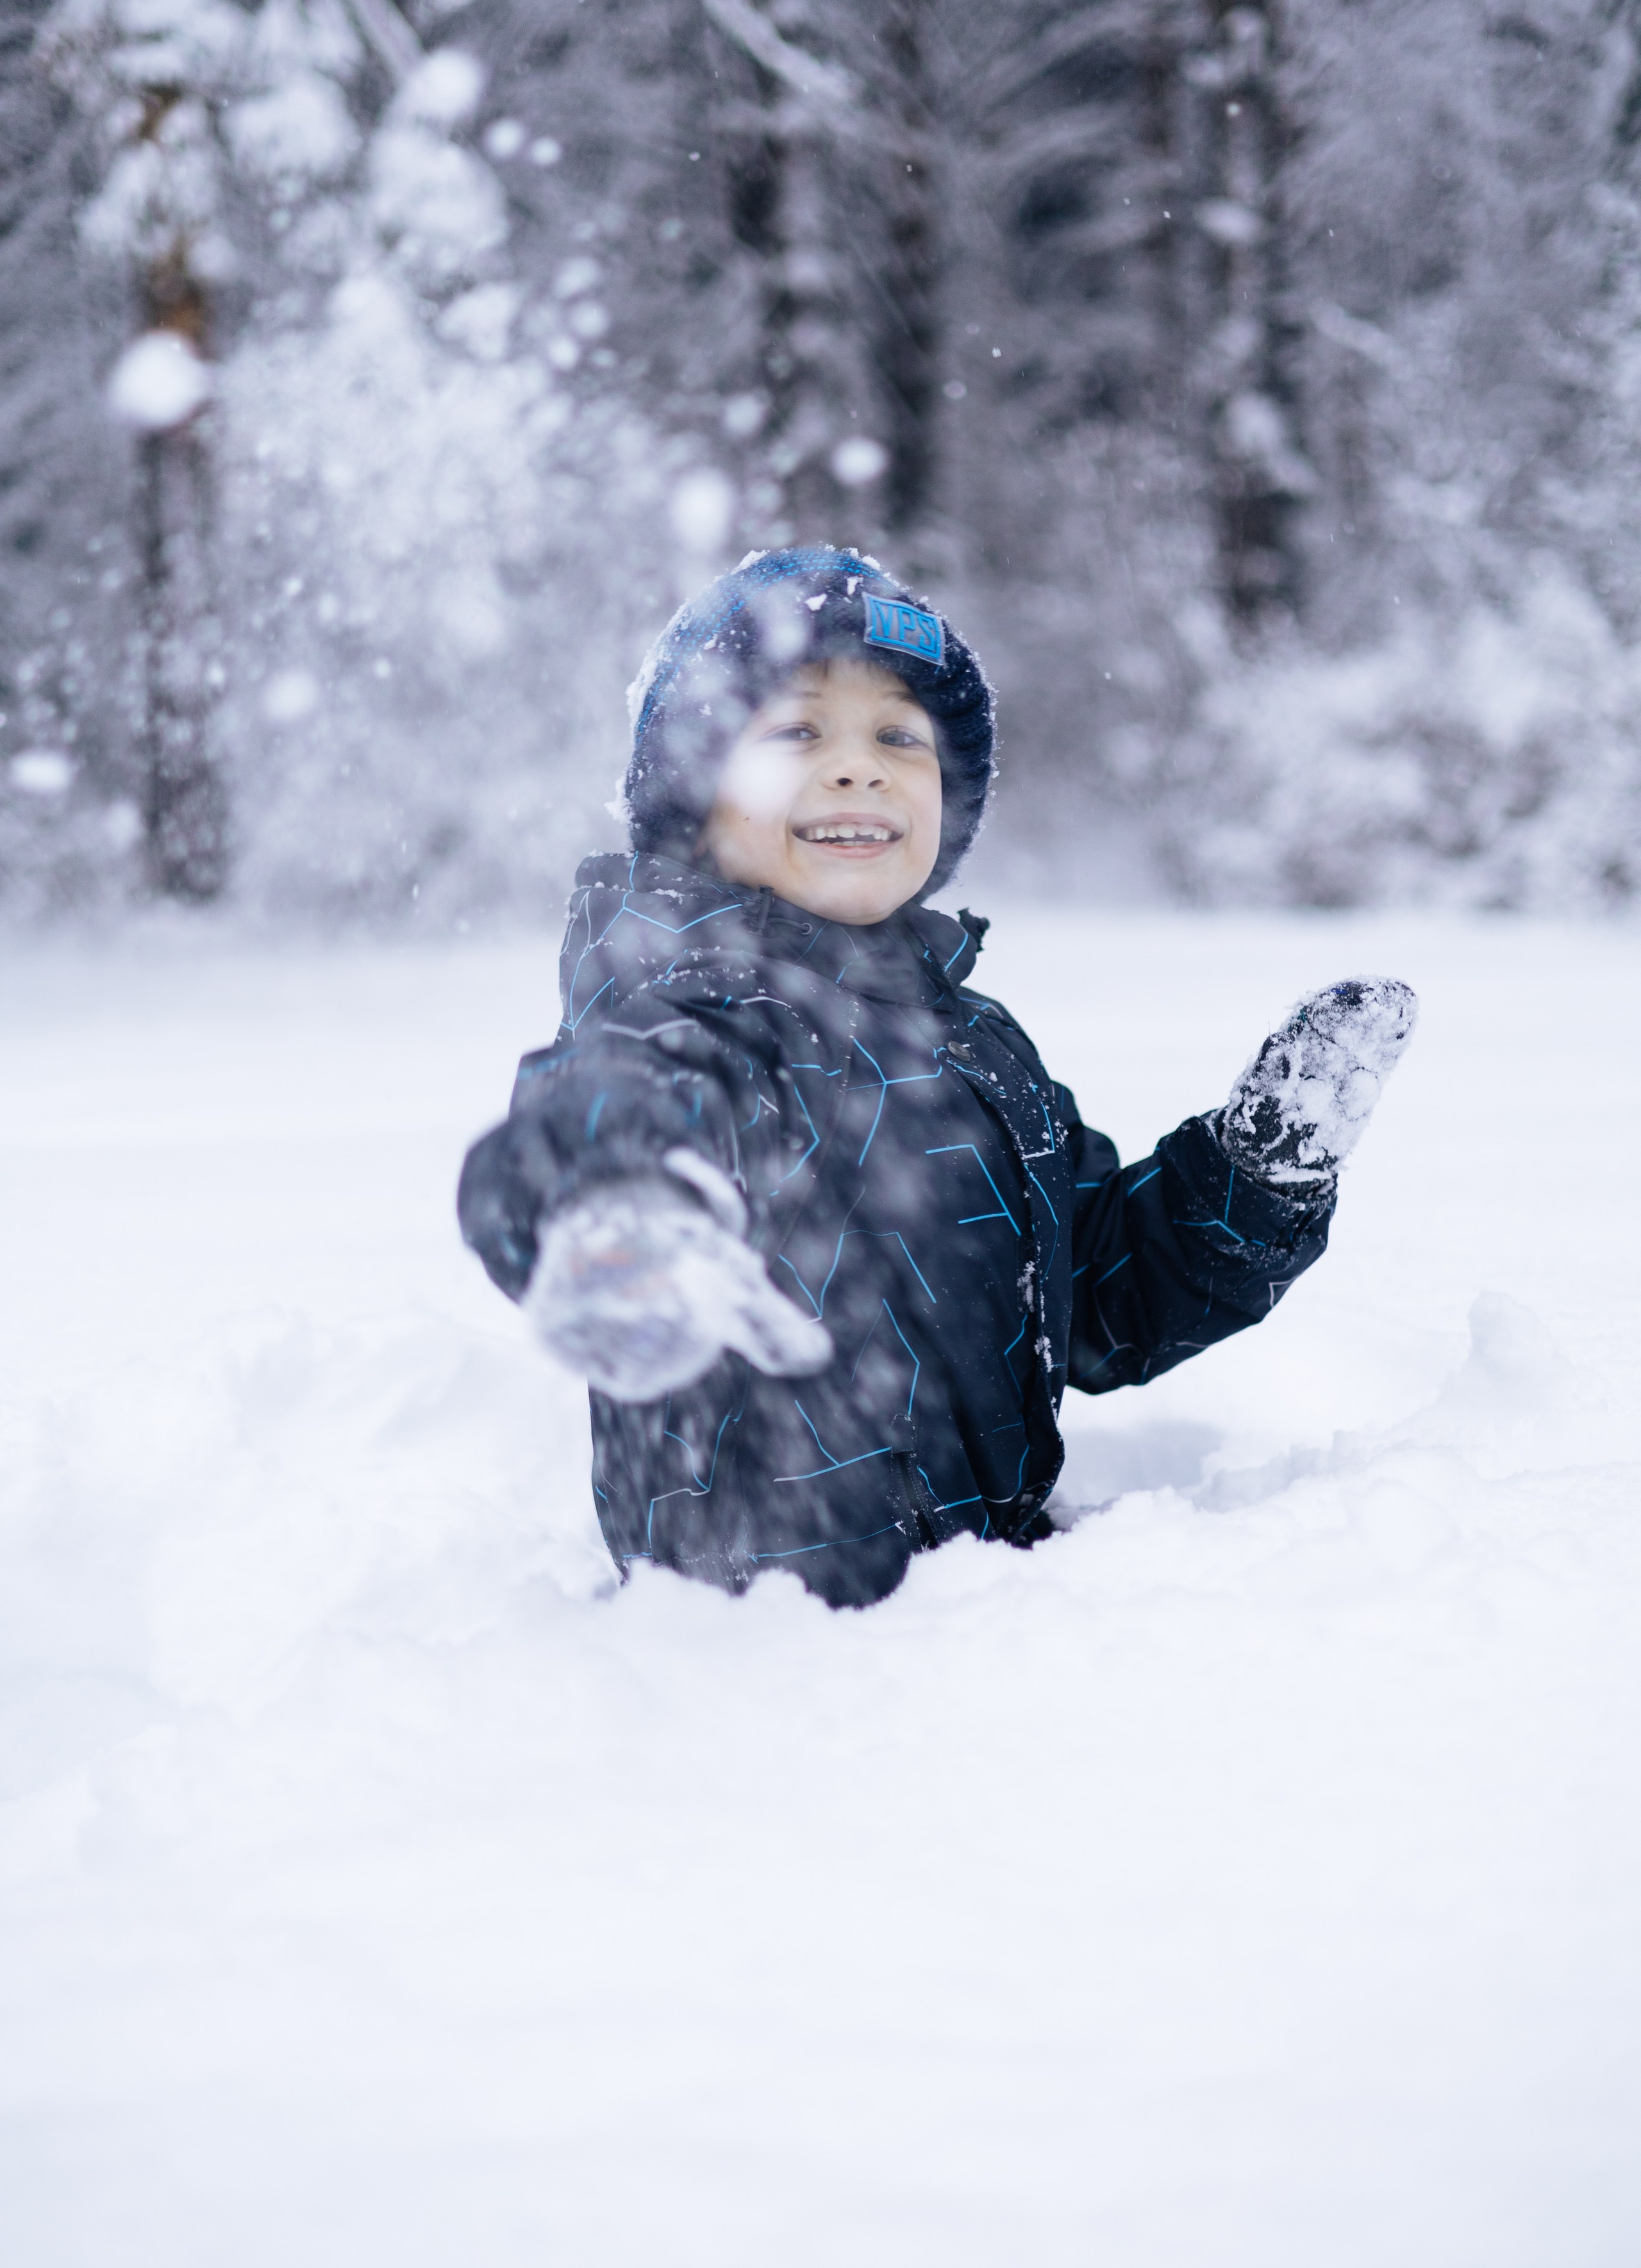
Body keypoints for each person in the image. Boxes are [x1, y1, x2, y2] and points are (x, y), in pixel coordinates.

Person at [458, 547, 1415, 1608]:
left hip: (980, 1629)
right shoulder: (685, 1014)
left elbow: (1092, 1293)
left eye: (898, 737)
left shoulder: (974, 1046)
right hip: (759, 1653)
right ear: (696, 796)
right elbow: (599, 1117)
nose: (858, 766)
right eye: (798, 732)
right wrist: (619, 1204)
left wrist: (1247, 1184)